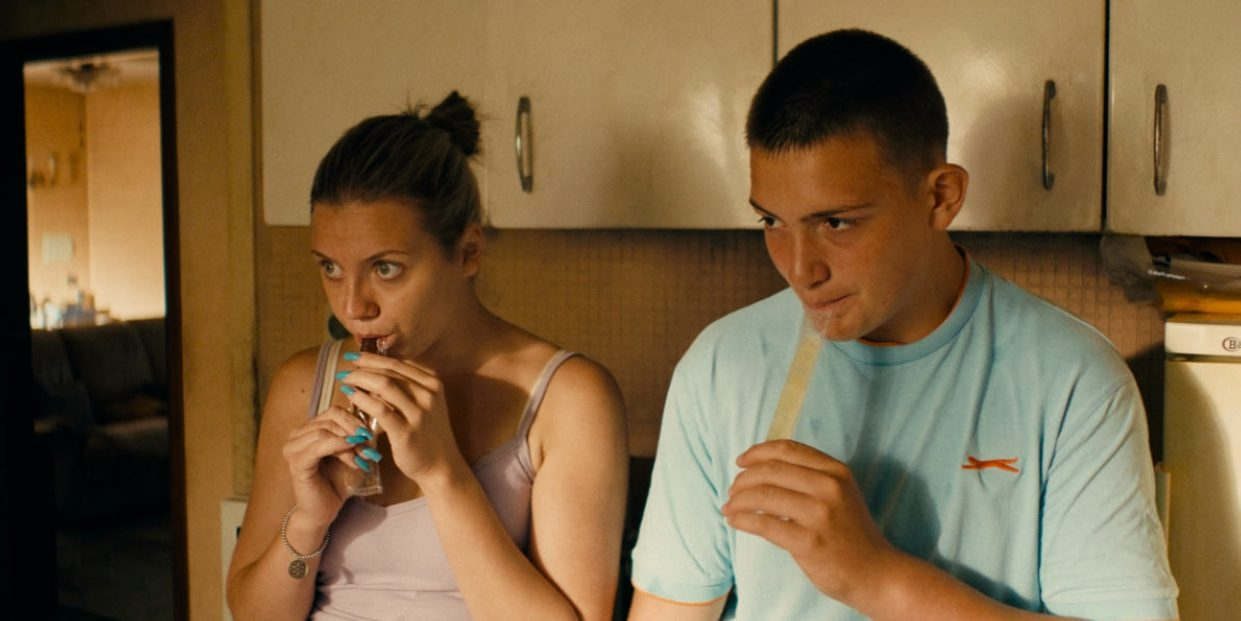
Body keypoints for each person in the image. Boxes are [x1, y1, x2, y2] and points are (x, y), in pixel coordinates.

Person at [628, 30, 1178, 620]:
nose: (800, 270)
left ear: (941, 197)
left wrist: (874, 577)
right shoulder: (723, 364)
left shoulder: (1073, 380)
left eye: (836, 223)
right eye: (773, 222)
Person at [227, 92, 628, 620]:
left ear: (469, 252)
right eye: (330, 268)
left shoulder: (569, 399)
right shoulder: (304, 384)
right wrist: (309, 521)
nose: (353, 306)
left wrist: (444, 474)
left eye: (385, 268)